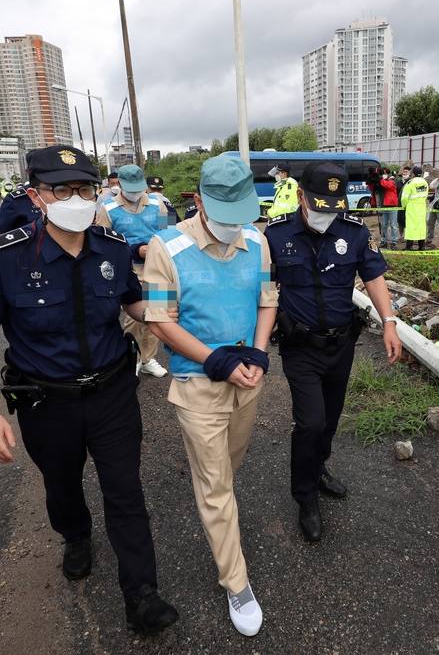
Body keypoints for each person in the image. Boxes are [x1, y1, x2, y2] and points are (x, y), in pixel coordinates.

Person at [0, 145, 178, 635]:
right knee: (62, 484)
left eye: (84, 188)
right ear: (37, 195)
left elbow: (134, 304)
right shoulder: (2, 257)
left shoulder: (112, 248)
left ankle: (142, 595)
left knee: (126, 491)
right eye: (62, 189)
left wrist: (170, 316)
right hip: (44, 401)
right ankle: (75, 535)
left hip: (112, 393)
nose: (75, 198)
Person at [141, 155, 275, 637]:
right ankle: (236, 582)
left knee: (225, 473)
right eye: (224, 218)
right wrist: (214, 359)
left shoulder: (256, 241)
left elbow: (266, 300)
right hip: (198, 386)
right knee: (217, 487)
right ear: (199, 200)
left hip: (247, 383)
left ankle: (218, 511)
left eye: (241, 217)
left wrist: (257, 354)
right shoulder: (167, 246)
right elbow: (159, 318)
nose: (233, 228)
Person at [264, 160, 402, 542]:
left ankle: (319, 467)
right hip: (300, 346)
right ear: (302, 196)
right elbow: (261, 290)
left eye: (333, 205)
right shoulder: (274, 235)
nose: (326, 214)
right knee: (309, 422)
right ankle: (305, 496)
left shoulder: (354, 232)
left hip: (342, 344)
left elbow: (373, 277)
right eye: (318, 203)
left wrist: (389, 322)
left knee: (330, 419)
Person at [96, 164, 175, 378]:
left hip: (159, 268)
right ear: (119, 185)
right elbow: (104, 243)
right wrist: (135, 251)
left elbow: (169, 233)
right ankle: (132, 357)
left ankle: (148, 358)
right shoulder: (108, 207)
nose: (134, 193)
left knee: (160, 312)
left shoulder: (158, 203)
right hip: (129, 269)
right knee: (136, 317)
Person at [401, 166, 428, 251]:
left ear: (413, 174)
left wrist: (403, 206)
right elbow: (426, 195)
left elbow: (404, 197)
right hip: (422, 206)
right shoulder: (425, 182)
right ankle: (421, 246)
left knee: (411, 226)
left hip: (412, 206)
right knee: (421, 226)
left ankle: (409, 246)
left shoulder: (410, 183)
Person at [376, 169, 399, 249]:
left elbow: (388, 186)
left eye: (384, 173)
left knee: (393, 226)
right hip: (383, 206)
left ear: (388, 173)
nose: (383, 174)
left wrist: (381, 179)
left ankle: (394, 242)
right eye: (382, 173)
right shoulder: (382, 181)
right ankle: (384, 241)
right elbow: (373, 189)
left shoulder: (392, 180)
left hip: (392, 207)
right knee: (383, 225)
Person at [394, 166, 410, 243]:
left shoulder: (411, 182)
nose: (404, 173)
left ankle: (408, 236)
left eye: (406, 172)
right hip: (400, 204)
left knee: (408, 220)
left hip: (408, 205)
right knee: (400, 220)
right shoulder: (399, 182)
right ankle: (401, 235)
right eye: (404, 172)